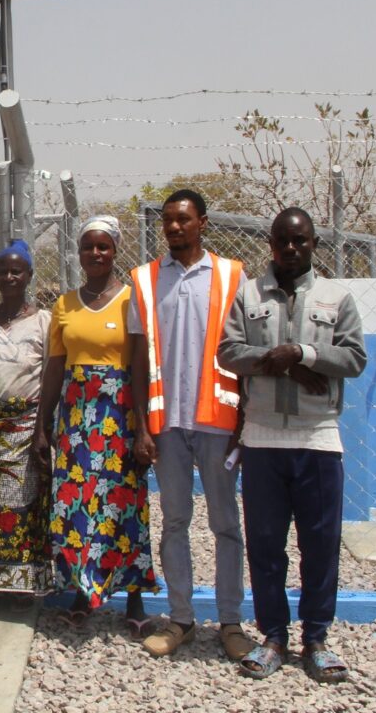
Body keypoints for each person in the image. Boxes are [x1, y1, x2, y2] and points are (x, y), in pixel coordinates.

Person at [218, 208, 367, 682]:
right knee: (265, 544)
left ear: (314, 243)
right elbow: (228, 352)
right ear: (271, 242)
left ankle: (317, 638)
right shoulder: (247, 295)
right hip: (262, 439)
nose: (290, 249)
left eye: (299, 241)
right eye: (282, 240)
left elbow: (354, 357)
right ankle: (274, 637)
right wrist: (280, 360)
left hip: (318, 438)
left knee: (320, 544)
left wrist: (304, 353)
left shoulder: (336, 297)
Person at [131, 189, 254, 660]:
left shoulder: (233, 276)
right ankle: (180, 618)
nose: (174, 228)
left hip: (219, 424)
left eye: (183, 220)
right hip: (167, 425)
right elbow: (138, 361)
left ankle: (230, 623)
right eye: (167, 221)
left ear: (203, 222)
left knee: (226, 523)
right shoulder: (144, 281)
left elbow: (244, 354)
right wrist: (142, 426)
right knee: (175, 522)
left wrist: (243, 422)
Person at [33, 218, 158, 631]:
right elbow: (55, 368)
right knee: (76, 504)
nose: (96, 254)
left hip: (118, 416)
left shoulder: (131, 301)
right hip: (75, 419)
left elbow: (139, 365)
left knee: (125, 502)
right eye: (89, 247)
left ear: (115, 250)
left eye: (103, 247)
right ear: (79, 252)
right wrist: (42, 424)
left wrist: (142, 427)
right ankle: (85, 593)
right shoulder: (64, 305)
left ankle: (134, 600)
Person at [0, 239, 51, 608]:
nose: (9, 276)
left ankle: (26, 586)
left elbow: (49, 376)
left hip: (26, 427)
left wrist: (43, 430)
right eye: (3, 271)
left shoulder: (43, 321)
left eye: (17, 270)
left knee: (25, 505)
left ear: (29, 275)